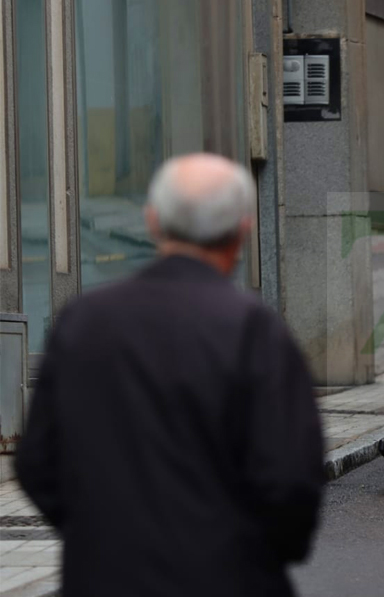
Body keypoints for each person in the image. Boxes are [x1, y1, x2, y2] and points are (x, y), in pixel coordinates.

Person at [15, 154, 324, 597]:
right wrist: (257, 553)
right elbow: (291, 480)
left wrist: (97, 535)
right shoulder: (254, 330)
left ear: (153, 221)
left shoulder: (83, 322)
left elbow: (37, 464)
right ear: (243, 229)